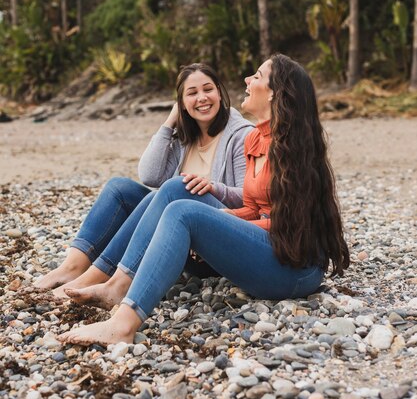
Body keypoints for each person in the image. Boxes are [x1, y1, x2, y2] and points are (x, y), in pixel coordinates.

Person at [58, 53, 350, 346]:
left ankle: (122, 325)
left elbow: (288, 225)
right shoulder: (256, 140)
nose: (247, 81)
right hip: (268, 248)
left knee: (184, 212)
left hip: (294, 268)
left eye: (257, 76)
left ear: (275, 92)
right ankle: (118, 286)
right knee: (175, 190)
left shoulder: (294, 149)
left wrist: (215, 222)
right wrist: (218, 224)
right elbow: (251, 207)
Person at [34, 63, 253, 294]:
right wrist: (169, 123)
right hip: (180, 239)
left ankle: (99, 277)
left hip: (215, 251)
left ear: (219, 92)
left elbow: (251, 200)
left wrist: (214, 188)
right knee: (119, 188)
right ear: (181, 104)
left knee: (174, 189)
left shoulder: (241, 135)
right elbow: (150, 175)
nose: (202, 98)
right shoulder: (185, 138)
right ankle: (72, 267)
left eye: (208, 89)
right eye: (192, 93)